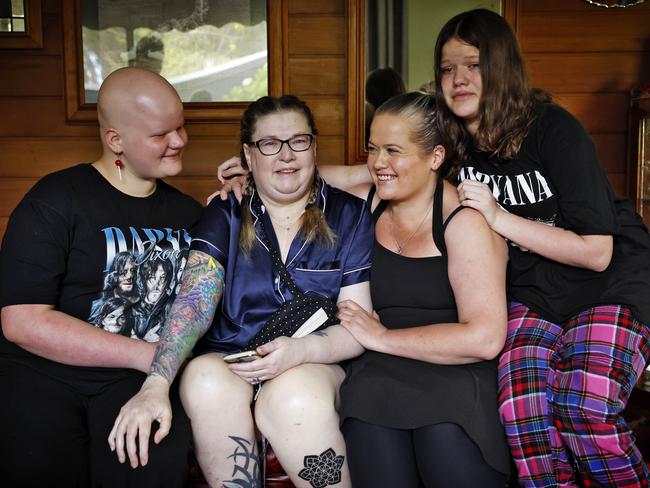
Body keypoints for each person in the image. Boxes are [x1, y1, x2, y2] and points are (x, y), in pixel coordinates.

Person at [214, 92, 512, 487]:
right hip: (379, 376)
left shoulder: (463, 223)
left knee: (445, 445)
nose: (378, 163)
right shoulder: (366, 203)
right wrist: (251, 174)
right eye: (372, 149)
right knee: (372, 442)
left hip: (451, 371)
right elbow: (306, 179)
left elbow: (485, 339)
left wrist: (384, 337)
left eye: (393, 150)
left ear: (435, 157)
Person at [108, 95, 374, 487]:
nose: (285, 155)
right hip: (232, 356)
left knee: (293, 395)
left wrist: (301, 351)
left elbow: (357, 323)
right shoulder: (226, 211)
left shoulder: (349, 214)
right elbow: (194, 303)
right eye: (269, 144)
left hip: (314, 360)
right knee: (203, 379)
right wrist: (156, 383)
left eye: (298, 141)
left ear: (314, 146)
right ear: (249, 156)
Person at [433, 9, 650, 487]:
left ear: (501, 67)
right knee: (523, 413)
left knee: (584, 410)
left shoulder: (553, 129)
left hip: (605, 285)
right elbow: (383, 164)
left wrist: (498, 217)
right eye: (447, 69)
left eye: (473, 64)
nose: (459, 79)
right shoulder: (448, 140)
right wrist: (271, 173)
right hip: (534, 291)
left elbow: (597, 252)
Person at [0, 67, 202, 487]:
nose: (180, 140)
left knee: (151, 466)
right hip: (44, 374)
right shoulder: (55, 200)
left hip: (139, 384)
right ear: (115, 140)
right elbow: (22, 320)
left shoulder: (190, 215)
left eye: (181, 126)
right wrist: (147, 356)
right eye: (161, 134)